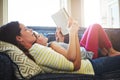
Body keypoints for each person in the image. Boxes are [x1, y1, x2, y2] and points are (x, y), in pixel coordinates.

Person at [0, 20, 120, 76]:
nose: (31, 30)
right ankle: (109, 51)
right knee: (94, 26)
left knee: (92, 27)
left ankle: (106, 50)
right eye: (26, 29)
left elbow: (64, 56)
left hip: (88, 61)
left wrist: (60, 41)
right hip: (90, 64)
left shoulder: (38, 49)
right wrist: (72, 33)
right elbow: (75, 63)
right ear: (19, 38)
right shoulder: (37, 49)